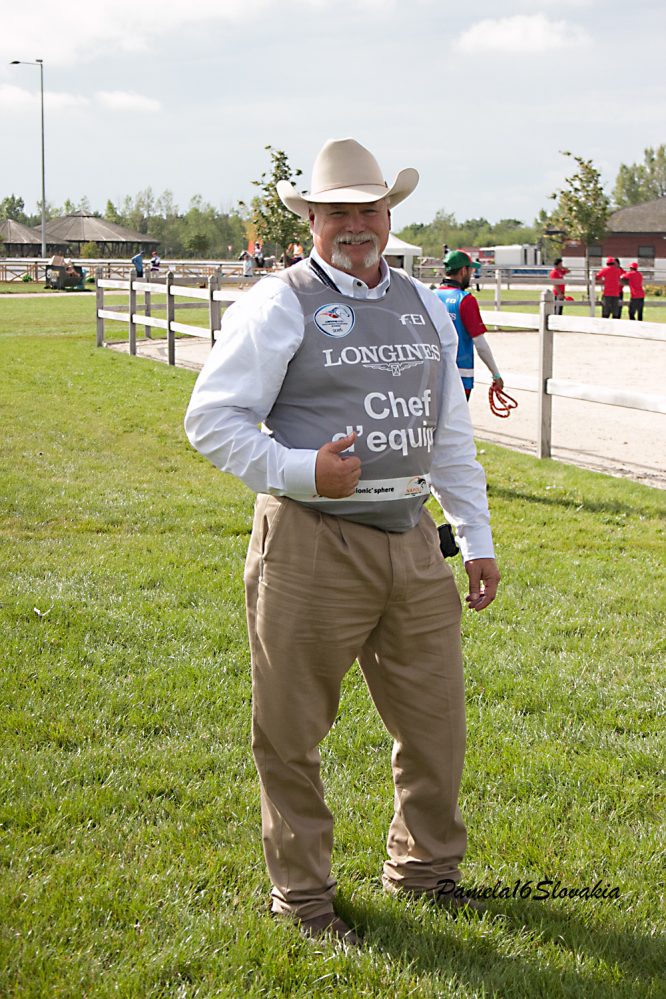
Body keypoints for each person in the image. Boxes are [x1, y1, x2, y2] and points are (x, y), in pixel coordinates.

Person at [184, 138, 500, 946]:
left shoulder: (425, 304)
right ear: (313, 220)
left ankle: (426, 870)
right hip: (310, 542)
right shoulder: (278, 301)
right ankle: (303, 897)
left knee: (437, 725)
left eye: (369, 209)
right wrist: (297, 469)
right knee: (292, 730)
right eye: (339, 212)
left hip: (410, 540)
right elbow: (210, 421)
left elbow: (448, 431)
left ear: (389, 216)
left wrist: (476, 534)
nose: (355, 225)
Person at [436, 250, 504, 399]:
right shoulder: (465, 300)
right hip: (459, 376)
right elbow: (480, 344)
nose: (471, 274)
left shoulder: (430, 296)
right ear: (463, 270)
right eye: (471, 270)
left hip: (432, 376)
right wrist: (495, 374)